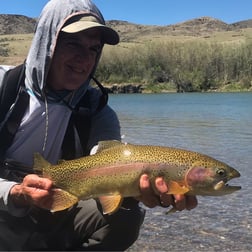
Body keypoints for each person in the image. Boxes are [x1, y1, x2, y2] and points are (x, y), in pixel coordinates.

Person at [0, 0, 197, 250]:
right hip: (3, 211)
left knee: (125, 215)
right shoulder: (4, 88)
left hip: (55, 208)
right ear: (46, 42)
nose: (84, 58)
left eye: (93, 48)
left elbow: (107, 165)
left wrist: (133, 190)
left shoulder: (97, 111)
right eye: (73, 43)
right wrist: (16, 192)